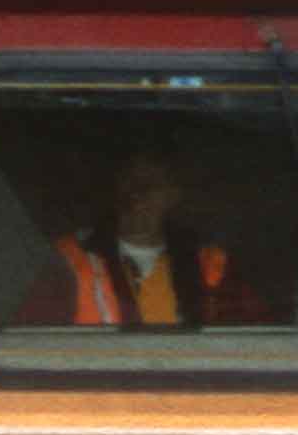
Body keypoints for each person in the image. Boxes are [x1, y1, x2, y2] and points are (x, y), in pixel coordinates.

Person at [17, 135, 252, 327]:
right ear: (114, 186)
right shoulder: (69, 259)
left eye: (150, 185)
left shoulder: (209, 262)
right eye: (129, 181)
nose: (137, 195)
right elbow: (30, 342)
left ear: (174, 195)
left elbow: (249, 342)